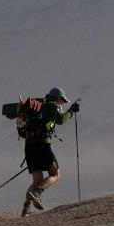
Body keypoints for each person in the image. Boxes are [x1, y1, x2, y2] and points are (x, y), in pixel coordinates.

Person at [21, 86, 79, 217]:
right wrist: (71, 111)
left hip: (29, 146)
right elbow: (61, 120)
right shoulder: (51, 106)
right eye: (62, 101)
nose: (62, 104)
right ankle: (37, 193)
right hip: (42, 145)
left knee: (37, 179)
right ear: (57, 98)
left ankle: (26, 209)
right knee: (56, 174)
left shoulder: (39, 106)